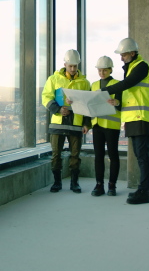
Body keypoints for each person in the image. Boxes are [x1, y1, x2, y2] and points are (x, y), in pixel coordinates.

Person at [100, 38, 149, 204]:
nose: (121, 58)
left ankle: (144, 192)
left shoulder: (141, 66)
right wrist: (118, 103)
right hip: (134, 117)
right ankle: (148, 190)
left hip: (141, 117)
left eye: (123, 54)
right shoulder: (132, 67)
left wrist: (104, 91)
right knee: (141, 155)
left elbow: (127, 84)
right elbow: (132, 93)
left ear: (132, 53)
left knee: (142, 156)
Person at [42, 49, 91, 193]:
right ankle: (57, 183)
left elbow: (88, 104)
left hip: (76, 123)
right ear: (65, 64)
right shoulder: (54, 79)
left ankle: (74, 183)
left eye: (75, 66)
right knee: (56, 154)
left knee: (75, 155)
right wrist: (57, 109)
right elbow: (46, 97)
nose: (73, 68)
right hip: (58, 122)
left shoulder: (84, 83)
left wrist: (87, 123)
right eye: (70, 66)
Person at [90, 56, 122, 197]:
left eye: (104, 70)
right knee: (98, 156)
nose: (102, 73)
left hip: (112, 125)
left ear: (110, 70)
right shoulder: (94, 85)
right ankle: (99, 184)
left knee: (113, 155)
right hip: (97, 125)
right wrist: (87, 124)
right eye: (100, 70)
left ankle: (112, 185)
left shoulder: (118, 84)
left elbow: (124, 104)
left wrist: (117, 103)